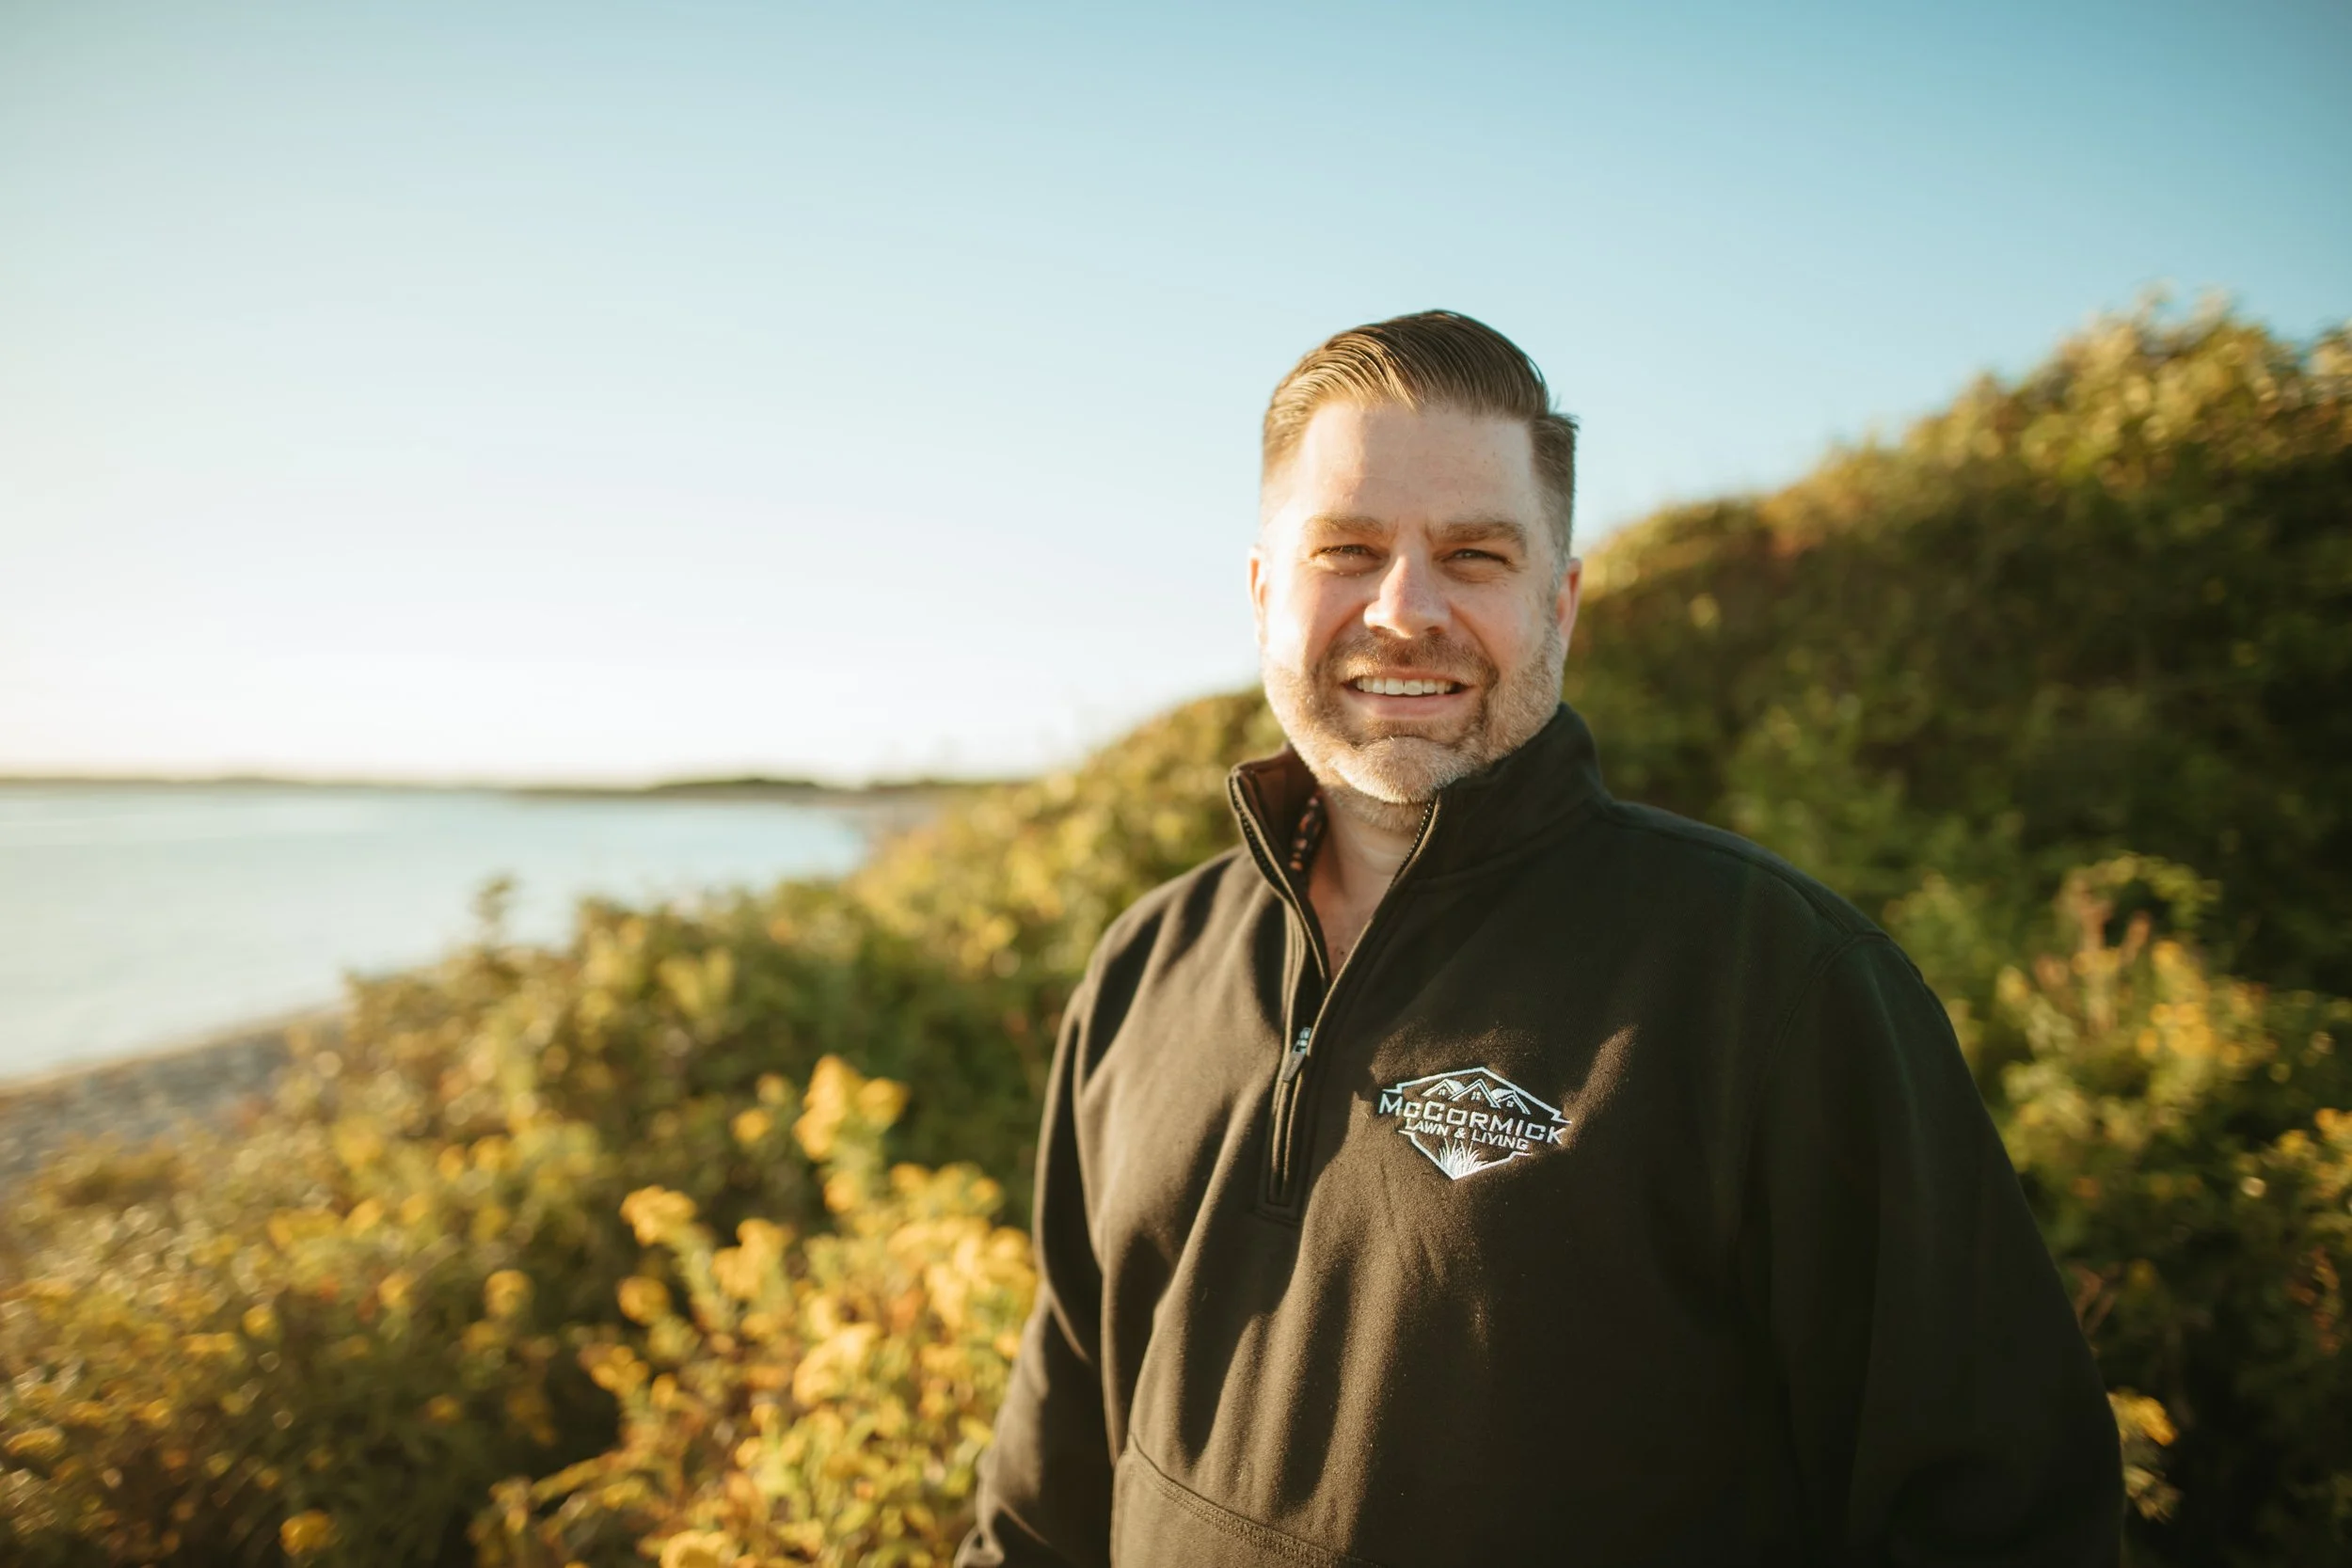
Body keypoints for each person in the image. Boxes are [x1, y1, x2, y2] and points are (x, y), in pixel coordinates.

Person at [958, 310, 2122, 1567]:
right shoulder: (1147, 965)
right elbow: (1050, 1471)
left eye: (1474, 555)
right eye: (1346, 549)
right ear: (1261, 591)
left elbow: (2000, 1518)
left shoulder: (1776, 986)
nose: (1404, 611)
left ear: (1560, 600)